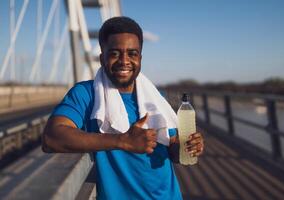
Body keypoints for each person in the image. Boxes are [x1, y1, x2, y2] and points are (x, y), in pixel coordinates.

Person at [42, 16, 204, 200]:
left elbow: (172, 151)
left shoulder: (155, 97)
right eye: (115, 53)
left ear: (140, 58)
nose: (124, 61)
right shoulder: (86, 93)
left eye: (132, 53)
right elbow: (51, 138)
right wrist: (122, 141)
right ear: (102, 57)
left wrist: (187, 146)